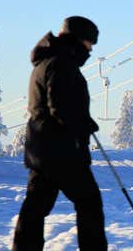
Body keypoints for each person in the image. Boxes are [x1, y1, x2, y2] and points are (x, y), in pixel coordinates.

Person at [13, 16, 107, 250]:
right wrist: (82, 125)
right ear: (77, 39)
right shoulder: (61, 63)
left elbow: (55, 105)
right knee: (89, 203)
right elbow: (61, 107)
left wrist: (82, 122)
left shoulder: (47, 62)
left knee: (35, 208)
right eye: (89, 43)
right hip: (62, 151)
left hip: (43, 149)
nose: (91, 49)